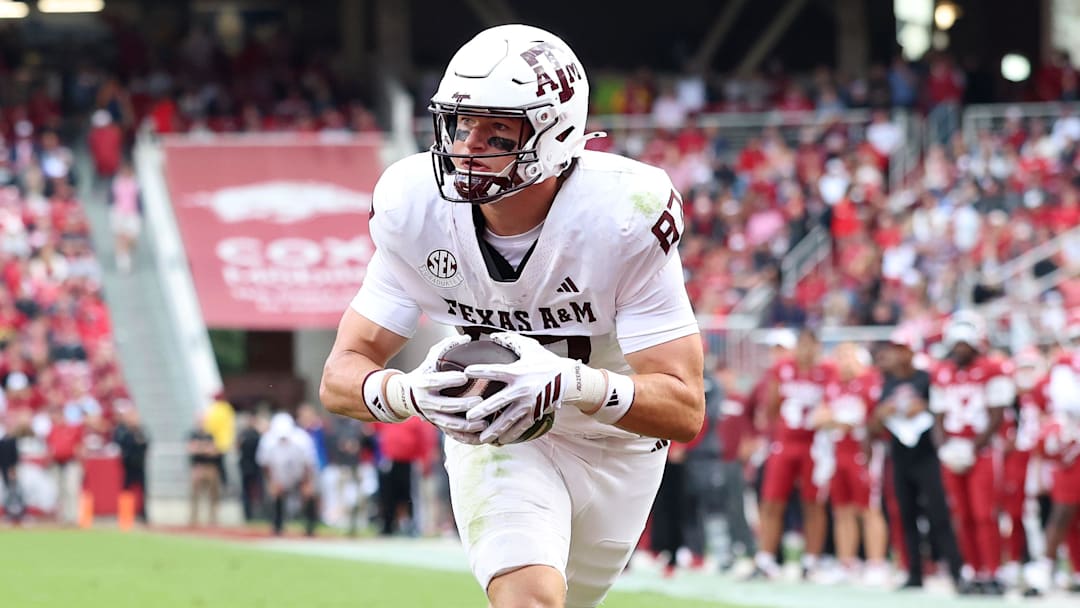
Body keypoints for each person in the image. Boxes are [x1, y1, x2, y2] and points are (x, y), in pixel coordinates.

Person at [320, 24, 704, 608]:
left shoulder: (623, 214)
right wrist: (408, 394)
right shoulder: (414, 209)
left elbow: (683, 407)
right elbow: (340, 374)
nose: (468, 145)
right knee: (529, 601)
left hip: (617, 441)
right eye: (461, 123)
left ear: (554, 135)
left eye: (497, 130)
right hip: (498, 433)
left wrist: (571, 383)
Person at [869, 327, 969, 593]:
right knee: (906, 515)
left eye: (901, 348)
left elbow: (941, 410)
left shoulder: (927, 378)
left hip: (926, 455)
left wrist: (923, 407)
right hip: (900, 456)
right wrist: (882, 413)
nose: (896, 354)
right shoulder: (887, 381)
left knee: (939, 515)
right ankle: (914, 572)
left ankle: (956, 571)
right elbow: (875, 424)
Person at [930, 311, 1014, 594]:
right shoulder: (942, 372)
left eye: (965, 343)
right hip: (953, 449)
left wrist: (973, 446)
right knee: (961, 515)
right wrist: (944, 447)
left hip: (982, 450)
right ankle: (972, 570)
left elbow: (997, 414)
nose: (960, 349)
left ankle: (993, 571)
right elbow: (938, 415)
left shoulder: (993, 369)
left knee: (984, 513)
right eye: (957, 343)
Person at [751, 328, 834, 580]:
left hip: (814, 444)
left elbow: (830, 405)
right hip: (785, 442)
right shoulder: (783, 368)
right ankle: (766, 558)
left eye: (812, 344)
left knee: (813, 503)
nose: (807, 350)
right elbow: (772, 405)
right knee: (772, 501)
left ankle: (811, 561)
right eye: (803, 344)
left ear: (818, 347)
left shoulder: (827, 371)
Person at [257, 412, 319, 537]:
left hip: (300, 474)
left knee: (309, 495)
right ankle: (277, 526)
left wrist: (307, 483)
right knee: (276, 495)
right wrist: (271, 482)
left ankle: (310, 527)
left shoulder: (302, 440)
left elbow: (309, 464)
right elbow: (265, 464)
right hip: (279, 475)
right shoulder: (267, 442)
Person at [112, 400, 150, 523]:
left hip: (140, 465)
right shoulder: (123, 431)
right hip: (127, 465)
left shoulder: (141, 430)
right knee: (126, 491)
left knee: (143, 491)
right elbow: (119, 443)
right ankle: (125, 515)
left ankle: (143, 515)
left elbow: (146, 444)